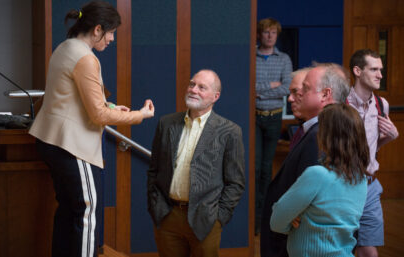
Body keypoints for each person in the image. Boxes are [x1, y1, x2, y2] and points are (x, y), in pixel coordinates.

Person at [29, 1, 155, 257]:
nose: (111, 39)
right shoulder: (86, 58)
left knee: (67, 208)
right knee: (87, 210)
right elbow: (97, 115)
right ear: (97, 29)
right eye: (110, 33)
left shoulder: (65, 47)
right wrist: (138, 115)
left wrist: (109, 105)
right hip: (71, 145)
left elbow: (73, 96)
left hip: (50, 140)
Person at [147, 69, 245, 257]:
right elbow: (154, 169)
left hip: (206, 219)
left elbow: (235, 182)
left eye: (202, 87)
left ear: (215, 96)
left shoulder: (229, 131)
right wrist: (155, 205)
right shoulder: (166, 123)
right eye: (192, 84)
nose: (193, 90)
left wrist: (218, 218)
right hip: (168, 215)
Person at [260, 64, 351, 257]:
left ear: (325, 94)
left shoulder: (321, 135)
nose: (295, 96)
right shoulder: (317, 131)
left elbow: (312, 203)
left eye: (305, 89)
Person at [270, 103, 369, 257]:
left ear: (327, 136)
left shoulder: (316, 175)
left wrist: (296, 217)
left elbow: (276, 222)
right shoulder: (361, 179)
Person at [347, 49, 399, 257]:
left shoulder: (381, 104)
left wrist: (390, 137)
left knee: (369, 250)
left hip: (369, 186)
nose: (380, 75)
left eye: (381, 70)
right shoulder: (341, 105)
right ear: (358, 71)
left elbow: (371, 148)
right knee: (342, 247)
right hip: (343, 185)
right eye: (374, 69)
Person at [255, 18, 292, 234]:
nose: (269, 36)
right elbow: (247, 85)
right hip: (255, 117)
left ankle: (265, 219)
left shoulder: (284, 59)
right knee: (256, 167)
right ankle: (254, 219)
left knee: (267, 169)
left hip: (274, 117)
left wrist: (260, 90)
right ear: (259, 35)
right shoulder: (251, 57)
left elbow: (286, 88)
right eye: (266, 32)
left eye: (273, 33)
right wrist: (270, 85)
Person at [287, 68, 311, 149]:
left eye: (295, 91)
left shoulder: (325, 133)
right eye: (290, 93)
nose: (290, 99)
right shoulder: (302, 130)